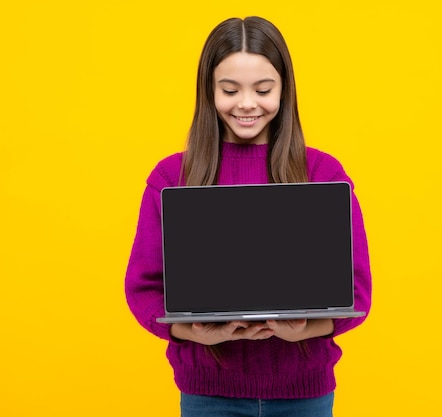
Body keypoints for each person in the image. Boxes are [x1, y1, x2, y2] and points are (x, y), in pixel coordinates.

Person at [125, 16, 372, 417]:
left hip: (304, 396)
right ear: (209, 91)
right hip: (208, 396)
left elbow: (358, 293)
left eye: (262, 89)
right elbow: (143, 289)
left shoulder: (322, 174)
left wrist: (305, 330)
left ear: (284, 90)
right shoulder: (173, 177)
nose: (246, 103)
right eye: (229, 89)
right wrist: (198, 334)